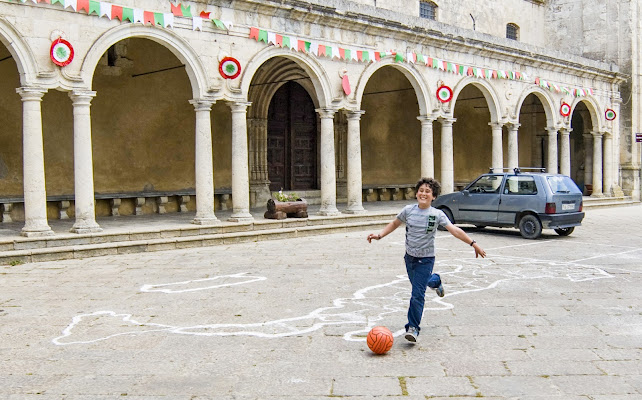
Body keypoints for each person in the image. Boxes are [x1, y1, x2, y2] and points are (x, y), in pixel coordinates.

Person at [367, 177, 486, 343]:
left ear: (434, 196)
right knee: (421, 284)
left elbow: (454, 230)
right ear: (417, 193)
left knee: (417, 294)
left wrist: (473, 244)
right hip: (409, 258)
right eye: (421, 190)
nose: (424, 193)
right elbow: (394, 224)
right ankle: (436, 281)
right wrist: (379, 235)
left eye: (428, 191)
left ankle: (413, 327)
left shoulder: (437, 214)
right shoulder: (408, 210)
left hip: (426, 259)